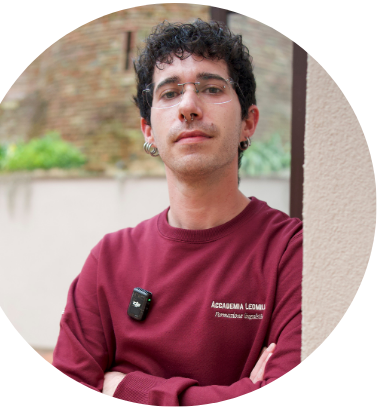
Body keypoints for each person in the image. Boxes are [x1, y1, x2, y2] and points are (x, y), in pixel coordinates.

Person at [52, 19, 302, 406]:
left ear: (248, 123)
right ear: (148, 131)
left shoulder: (292, 253)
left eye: (212, 88)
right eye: (169, 93)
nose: (188, 107)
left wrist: (124, 389)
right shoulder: (109, 260)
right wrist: (240, 393)